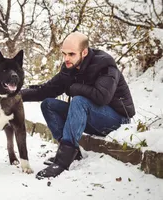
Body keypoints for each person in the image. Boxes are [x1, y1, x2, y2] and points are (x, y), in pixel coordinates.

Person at [21, 32, 135, 180]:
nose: (66, 59)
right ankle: (71, 152)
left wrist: (73, 88)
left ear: (84, 52)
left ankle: (62, 162)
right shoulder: (69, 67)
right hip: (90, 117)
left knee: (79, 100)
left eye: (71, 54)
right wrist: (16, 96)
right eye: (64, 54)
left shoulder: (105, 65)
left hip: (117, 119)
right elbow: (46, 90)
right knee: (48, 104)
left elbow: (102, 97)